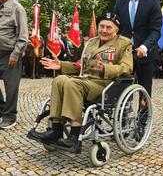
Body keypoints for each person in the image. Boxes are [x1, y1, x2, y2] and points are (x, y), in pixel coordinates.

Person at [30, 13, 133, 148]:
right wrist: (61, 65)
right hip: (85, 80)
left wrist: (106, 68)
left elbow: (127, 67)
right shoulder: (92, 42)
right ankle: (55, 130)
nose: (104, 30)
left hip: (105, 84)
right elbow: (81, 65)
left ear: (116, 30)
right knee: (59, 80)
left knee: (72, 83)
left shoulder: (124, 43)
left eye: (109, 28)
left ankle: (74, 135)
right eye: (102, 26)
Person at [114, 0, 162, 96]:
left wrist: (145, 47)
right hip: (125, 53)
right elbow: (117, 28)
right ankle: (123, 114)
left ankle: (144, 115)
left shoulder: (153, 2)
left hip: (146, 53)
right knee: (122, 87)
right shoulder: (120, 3)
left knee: (144, 89)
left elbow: (156, 30)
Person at [0, 0, 28, 129]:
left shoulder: (17, 8)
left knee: (11, 87)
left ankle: (10, 116)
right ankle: (1, 109)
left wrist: (15, 55)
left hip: (10, 55)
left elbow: (23, 36)